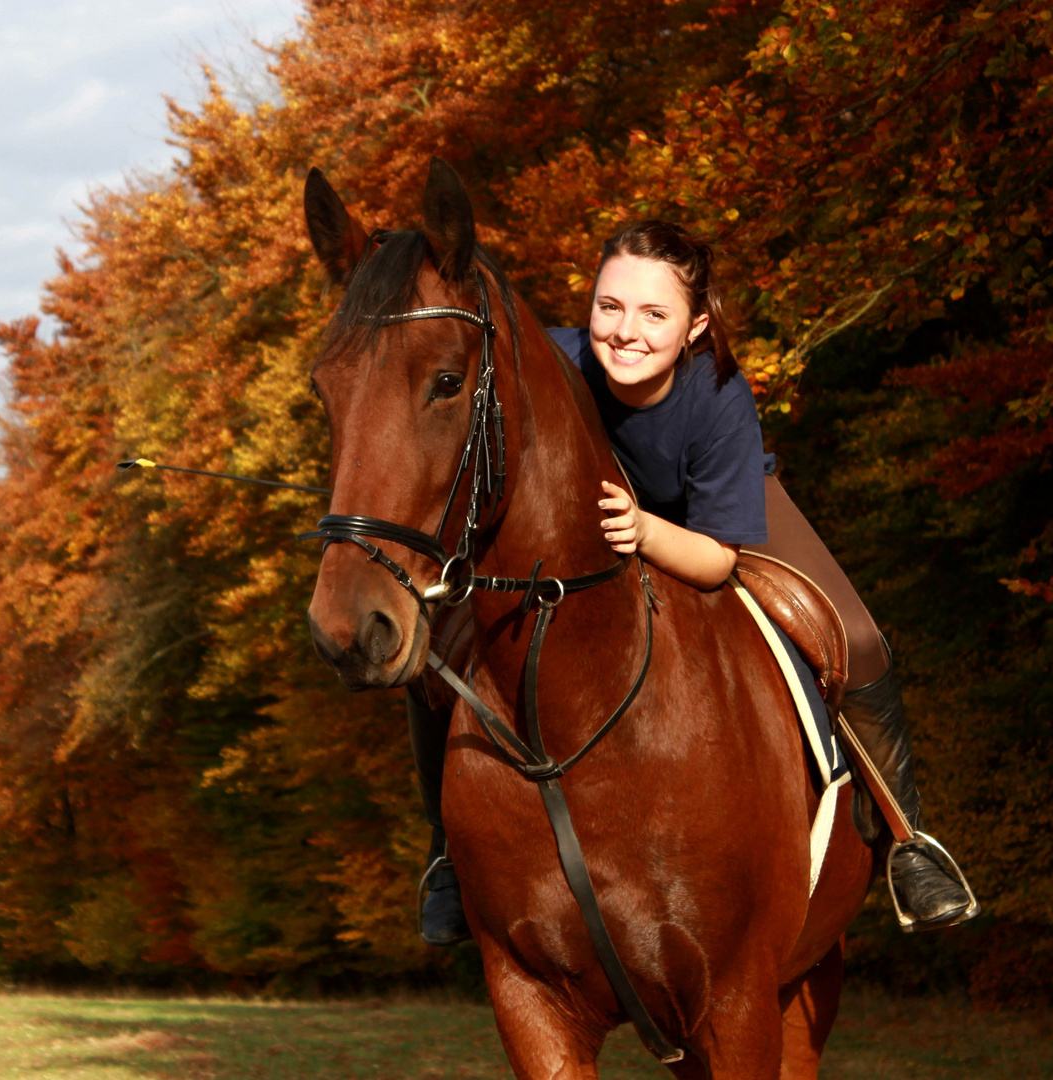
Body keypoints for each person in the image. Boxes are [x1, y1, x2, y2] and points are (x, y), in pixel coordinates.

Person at [414, 220, 976, 945]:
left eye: (655, 314)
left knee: (857, 637)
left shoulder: (718, 395)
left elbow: (717, 559)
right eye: (609, 307)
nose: (624, 332)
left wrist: (647, 532)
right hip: (604, 524)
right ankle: (446, 853)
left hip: (718, 516)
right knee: (434, 643)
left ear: (695, 325)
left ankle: (908, 839)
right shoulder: (555, 359)